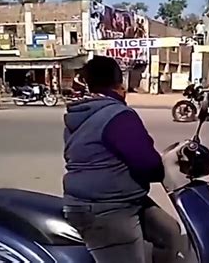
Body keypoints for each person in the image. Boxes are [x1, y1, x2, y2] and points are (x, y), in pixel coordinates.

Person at [62, 56, 183, 263]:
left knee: (169, 232)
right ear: (120, 83)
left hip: (123, 199)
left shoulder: (81, 112)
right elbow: (148, 164)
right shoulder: (118, 115)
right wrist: (161, 168)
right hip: (107, 208)